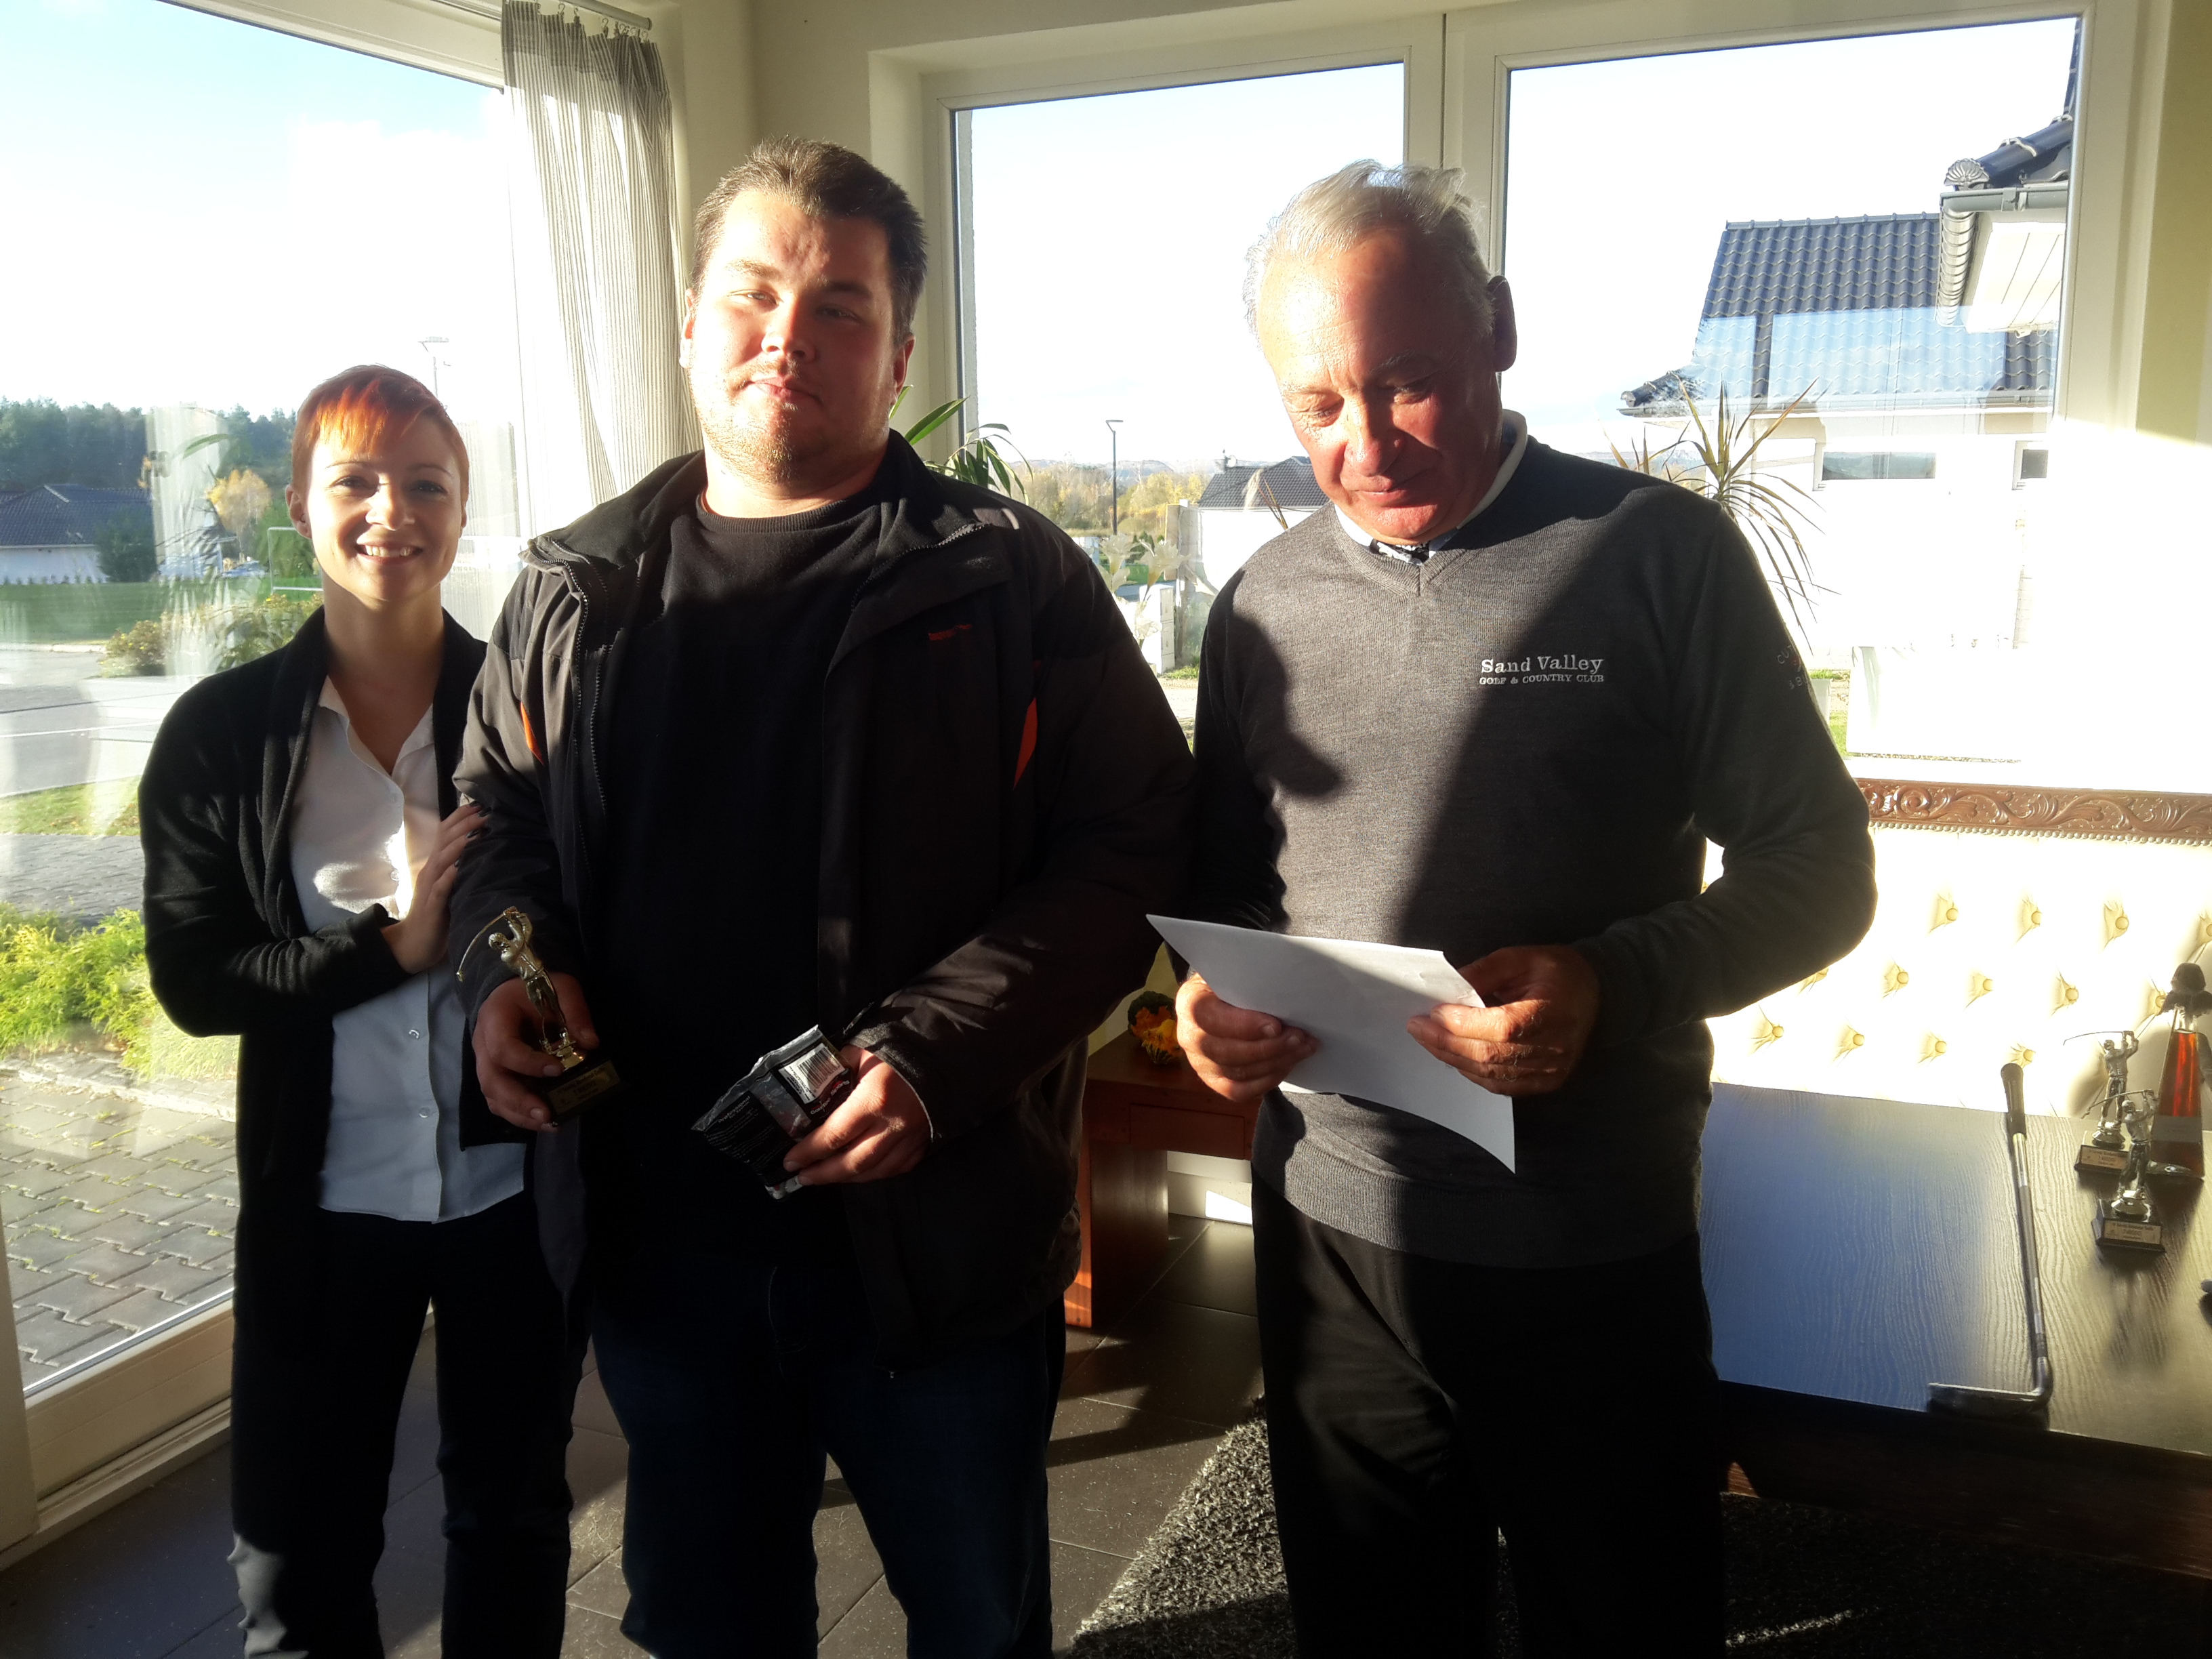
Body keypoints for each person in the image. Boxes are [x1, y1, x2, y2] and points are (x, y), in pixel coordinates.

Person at [450, 136, 1192, 1658]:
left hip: (933, 1248)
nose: (787, 333)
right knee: (710, 1627)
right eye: (753, 293)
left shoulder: (1011, 578)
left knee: (976, 1624)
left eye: (840, 305)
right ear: (689, 323)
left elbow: (1134, 846)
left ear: (899, 352)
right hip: (661, 1249)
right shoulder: (574, 588)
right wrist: (508, 974)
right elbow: (495, 814)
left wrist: (929, 1056)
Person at [1175, 161, 1877, 1656]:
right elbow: (1223, 881)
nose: (1365, 443)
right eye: (1318, 405)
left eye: (1408, 383)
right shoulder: (1261, 606)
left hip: (1590, 1240)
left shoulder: (1658, 558)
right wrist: (1203, 1006)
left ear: (1497, 327)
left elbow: (1821, 868)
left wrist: (1612, 983)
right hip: (1328, 1231)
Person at [140, 365, 578, 1656]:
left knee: (510, 1522)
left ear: (464, 511)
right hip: (321, 1211)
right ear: (298, 505)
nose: (394, 511)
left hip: (508, 1197)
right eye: (356, 481)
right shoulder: (221, 735)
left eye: (427, 484)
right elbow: (196, 982)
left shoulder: (533, 709)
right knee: (296, 1560)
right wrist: (395, 949)